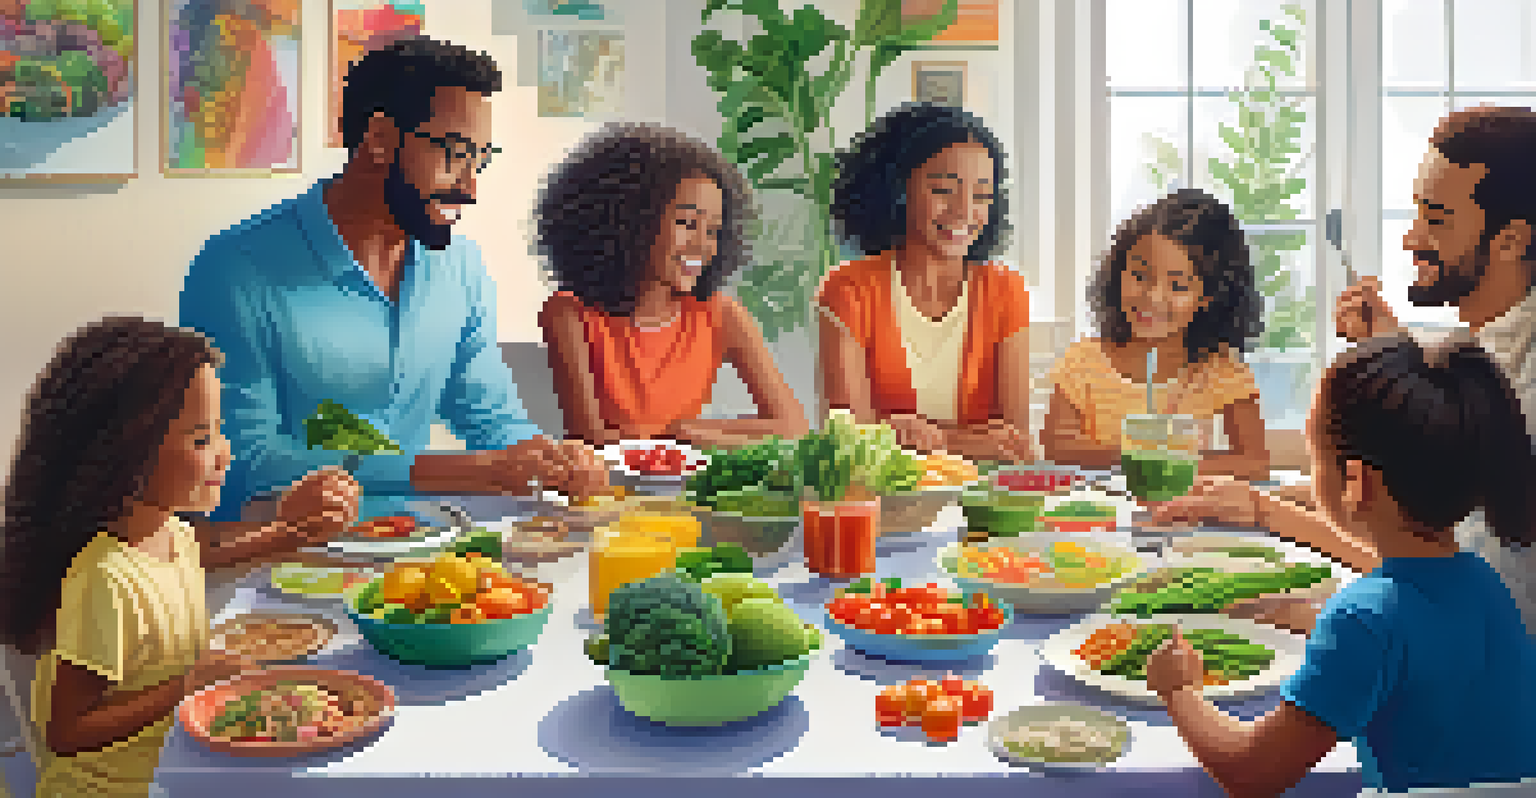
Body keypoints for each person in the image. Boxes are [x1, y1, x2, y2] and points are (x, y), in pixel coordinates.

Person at [178, 36, 608, 522]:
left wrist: (551, 460)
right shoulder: (236, 269)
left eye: (480, 161)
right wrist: (453, 471)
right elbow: (242, 463)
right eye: (455, 154)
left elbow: (491, 418)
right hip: (282, 554)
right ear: (380, 138)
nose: (470, 187)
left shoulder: (461, 268)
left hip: (419, 543)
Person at [1156, 106, 1536, 634]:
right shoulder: (1480, 347)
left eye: (1436, 220)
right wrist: (1260, 499)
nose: (1410, 240)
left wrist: (1269, 513)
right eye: (1417, 214)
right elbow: (1420, 504)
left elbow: (1448, 577)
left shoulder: (1522, 391)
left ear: (1511, 240)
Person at [1145, 334, 1536, 796]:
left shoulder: (1363, 619)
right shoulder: (1484, 581)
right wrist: (1314, 618)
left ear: (1356, 482)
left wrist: (1179, 689)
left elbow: (1250, 772)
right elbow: (1426, 657)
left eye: (1315, 460)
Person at [0, 317, 362, 797]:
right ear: (126, 453)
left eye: (219, 432)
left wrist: (298, 526)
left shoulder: (167, 533)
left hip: (175, 768)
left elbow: (217, 551)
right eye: (201, 439)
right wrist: (186, 685)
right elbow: (66, 731)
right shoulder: (104, 578)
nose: (224, 455)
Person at [535, 123, 808, 449]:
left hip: (686, 479)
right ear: (629, 222)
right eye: (687, 224)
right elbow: (591, 438)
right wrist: (680, 437)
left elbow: (794, 427)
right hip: (608, 480)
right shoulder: (569, 314)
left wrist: (692, 432)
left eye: (712, 231)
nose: (703, 245)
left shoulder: (720, 314)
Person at [818, 102, 1035, 462]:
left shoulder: (1005, 291)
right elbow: (849, 438)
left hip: (979, 491)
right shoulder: (849, 290)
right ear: (898, 190)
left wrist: (916, 436)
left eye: (982, 195)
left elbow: (1014, 444)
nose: (964, 211)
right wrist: (963, 441)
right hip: (883, 491)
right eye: (944, 190)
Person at [1042, 189, 1270, 480]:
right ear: (1118, 273)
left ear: (1209, 296)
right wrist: (1139, 456)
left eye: (1177, 286)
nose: (1152, 297)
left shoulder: (1219, 369)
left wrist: (1173, 463)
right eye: (1140, 276)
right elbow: (1057, 448)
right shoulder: (1083, 360)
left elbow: (1255, 462)